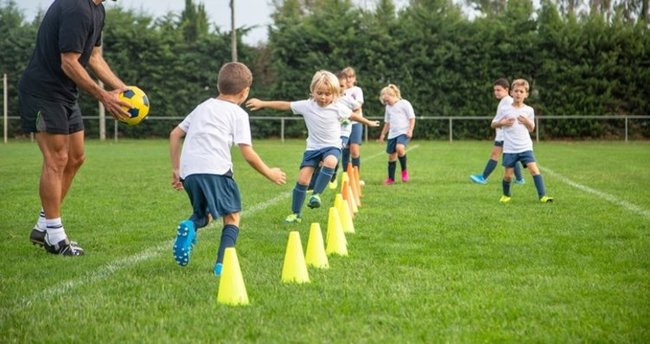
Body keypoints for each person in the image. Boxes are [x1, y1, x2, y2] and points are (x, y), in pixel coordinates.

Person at [19, 0, 131, 256]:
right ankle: (55, 237)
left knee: (76, 157)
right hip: (43, 93)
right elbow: (68, 62)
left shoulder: (97, 10)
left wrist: (123, 90)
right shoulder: (76, 6)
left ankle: (42, 225)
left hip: (66, 94)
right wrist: (104, 96)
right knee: (56, 158)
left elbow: (94, 56)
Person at [169, 62, 286, 276]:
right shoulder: (238, 114)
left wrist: (176, 169)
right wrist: (270, 172)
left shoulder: (203, 106)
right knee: (232, 216)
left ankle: (190, 225)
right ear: (245, 92)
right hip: (215, 170)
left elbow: (175, 134)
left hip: (190, 172)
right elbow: (247, 154)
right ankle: (222, 265)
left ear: (218, 85)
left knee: (205, 213)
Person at [246, 70, 379, 224]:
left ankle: (316, 194)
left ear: (335, 93)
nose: (323, 97)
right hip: (312, 149)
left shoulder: (338, 107)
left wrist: (368, 122)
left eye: (327, 94)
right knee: (302, 180)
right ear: (313, 91)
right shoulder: (307, 105)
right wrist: (263, 103)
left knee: (331, 162)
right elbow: (285, 105)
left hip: (331, 146)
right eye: (320, 93)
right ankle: (296, 214)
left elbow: (352, 115)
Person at [491, 79, 553, 204]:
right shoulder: (505, 109)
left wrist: (527, 122)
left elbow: (532, 128)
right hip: (510, 148)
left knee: (534, 170)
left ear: (526, 94)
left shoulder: (529, 110)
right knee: (508, 176)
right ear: (511, 93)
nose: (518, 93)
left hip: (525, 147)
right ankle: (506, 195)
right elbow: (493, 124)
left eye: (521, 91)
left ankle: (543, 196)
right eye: (516, 91)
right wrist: (502, 123)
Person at [470, 78, 525, 185]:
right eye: (495, 90)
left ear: (507, 89)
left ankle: (483, 177)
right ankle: (520, 179)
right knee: (512, 158)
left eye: (499, 90)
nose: (496, 92)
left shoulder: (508, 101)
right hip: (503, 135)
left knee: (495, 155)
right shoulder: (505, 101)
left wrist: (502, 123)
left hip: (504, 135)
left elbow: (511, 117)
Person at [378, 84, 415, 185]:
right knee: (391, 157)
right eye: (385, 101)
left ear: (393, 95)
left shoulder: (404, 103)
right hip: (392, 134)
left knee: (399, 148)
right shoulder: (388, 107)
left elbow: (412, 118)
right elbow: (387, 123)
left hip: (403, 132)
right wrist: (382, 135)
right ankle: (391, 179)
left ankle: (404, 171)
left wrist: (410, 130)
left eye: (387, 100)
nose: (386, 103)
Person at [341, 66, 365, 181]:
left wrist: (348, 112)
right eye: (346, 77)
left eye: (351, 77)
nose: (349, 79)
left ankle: (356, 177)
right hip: (344, 123)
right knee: (345, 149)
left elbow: (358, 107)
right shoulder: (340, 90)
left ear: (354, 78)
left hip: (355, 122)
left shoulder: (357, 90)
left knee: (354, 150)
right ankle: (346, 176)